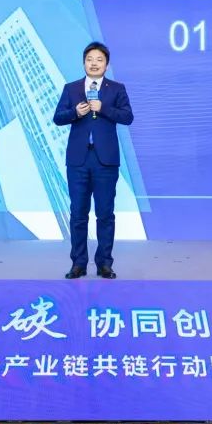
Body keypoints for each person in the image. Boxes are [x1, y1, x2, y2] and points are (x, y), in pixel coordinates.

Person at [52, 41, 134, 279]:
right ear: (84, 63)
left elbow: (127, 117)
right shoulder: (71, 89)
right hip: (78, 161)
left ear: (106, 65)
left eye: (99, 60)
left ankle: (104, 264)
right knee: (78, 214)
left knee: (105, 214)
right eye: (90, 59)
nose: (94, 63)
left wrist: (104, 107)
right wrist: (75, 113)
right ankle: (78, 264)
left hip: (105, 162)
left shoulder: (116, 89)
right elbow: (58, 118)